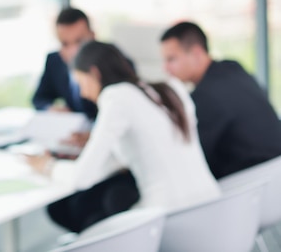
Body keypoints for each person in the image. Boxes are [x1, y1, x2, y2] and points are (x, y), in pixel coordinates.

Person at [27, 41, 220, 233]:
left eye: (81, 83)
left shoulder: (115, 96)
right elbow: (147, 148)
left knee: (92, 221)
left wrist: (47, 166)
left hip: (170, 221)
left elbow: (82, 178)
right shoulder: (169, 89)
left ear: (95, 73)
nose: (84, 93)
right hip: (213, 209)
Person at [160, 21, 281, 179]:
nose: (166, 68)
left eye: (171, 59)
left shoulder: (204, 96)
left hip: (253, 181)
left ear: (196, 54)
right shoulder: (233, 68)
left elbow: (195, 158)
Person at [32, 7, 97, 118]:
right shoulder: (55, 61)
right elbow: (39, 99)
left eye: (79, 42)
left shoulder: (112, 60)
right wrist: (51, 108)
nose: (73, 51)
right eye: (65, 44)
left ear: (93, 36)